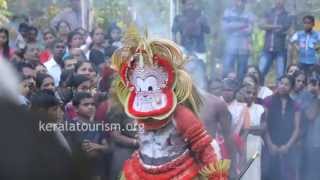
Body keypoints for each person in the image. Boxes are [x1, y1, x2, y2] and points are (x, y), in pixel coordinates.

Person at [112, 34, 230, 179]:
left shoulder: (181, 115)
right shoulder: (137, 112)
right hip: (140, 173)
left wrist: (217, 176)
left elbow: (206, 147)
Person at [263, 75, 301, 180]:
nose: (283, 86)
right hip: (269, 145)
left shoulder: (295, 105)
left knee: (287, 175)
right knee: (268, 173)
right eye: (281, 83)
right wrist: (270, 144)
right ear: (277, 84)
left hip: (288, 146)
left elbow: (297, 128)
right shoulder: (267, 101)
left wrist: (287, 146)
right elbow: (264, 125)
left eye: (286, 84)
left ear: (291, 88)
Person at [72, 92, 110, 180]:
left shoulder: (99, 125)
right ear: (76, 108)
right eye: (86, 104)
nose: (90, 107)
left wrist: (98, 147)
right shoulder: (70, 127)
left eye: (93, 104)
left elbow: (108, 147)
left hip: (97, 170)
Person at [222, 0, 255, 80]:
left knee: (242, 71)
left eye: (242, 1)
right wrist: (243, 25)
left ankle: (239, 89)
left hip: (244, 46)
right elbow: (225, 27)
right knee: (227, 68)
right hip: (230, 45)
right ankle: (226, 88)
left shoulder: (249, 14)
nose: (240, 2)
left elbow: (249, 30)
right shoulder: (228, 12)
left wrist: (233, 26)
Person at [259, 0, 291, 80]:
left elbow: (288, 30)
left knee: (280, 76)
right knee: (260, 73)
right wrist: (276, 27)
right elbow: (261, 25)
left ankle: (280, 92)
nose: (279, 1)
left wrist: (269, 27)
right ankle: (257, 91)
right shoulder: (268, 12)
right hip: (267, 48)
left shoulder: (288, 14)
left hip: (281, 49)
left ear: (285, 2)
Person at [240, 84, 266, 180]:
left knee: (254, 169)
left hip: (255, 142)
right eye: (248, 92)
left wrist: (246, 128)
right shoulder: (238, 107)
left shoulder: (260, 108)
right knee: (241, 169)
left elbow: (263, 128)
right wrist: (253, 128)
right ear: (242, 92)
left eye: (254, 94)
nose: (251, 95)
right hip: (240, 142)